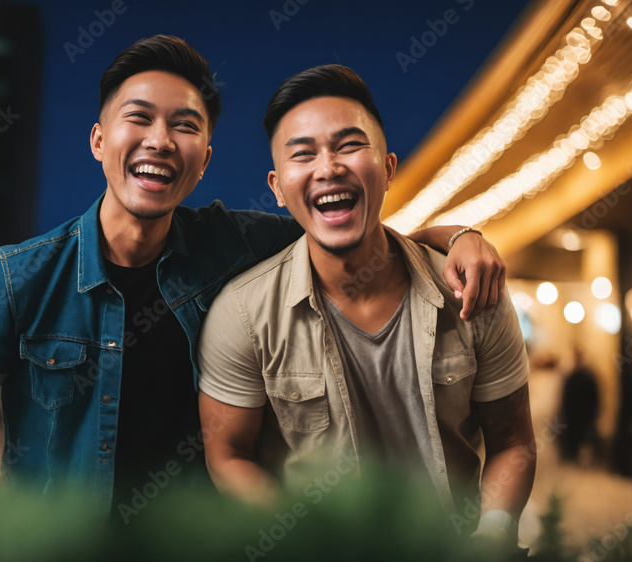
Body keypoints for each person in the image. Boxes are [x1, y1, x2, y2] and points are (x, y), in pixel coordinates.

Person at [0, 35, 509, 513]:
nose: (160, 140)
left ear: (204, 159)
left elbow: (354, 229)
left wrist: (459, 238)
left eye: (185, 125)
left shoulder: (234, 244)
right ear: (99, 140)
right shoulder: (19, 279)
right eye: (139, 118)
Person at [196, 65, 534, 550]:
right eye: (303, 154)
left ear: (390, 168)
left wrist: (494, 532)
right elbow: (227, 454)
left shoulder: (471, 291)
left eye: (349, 145)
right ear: (276, 187)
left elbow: (514, 441)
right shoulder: (244, 313)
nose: (329, 167)